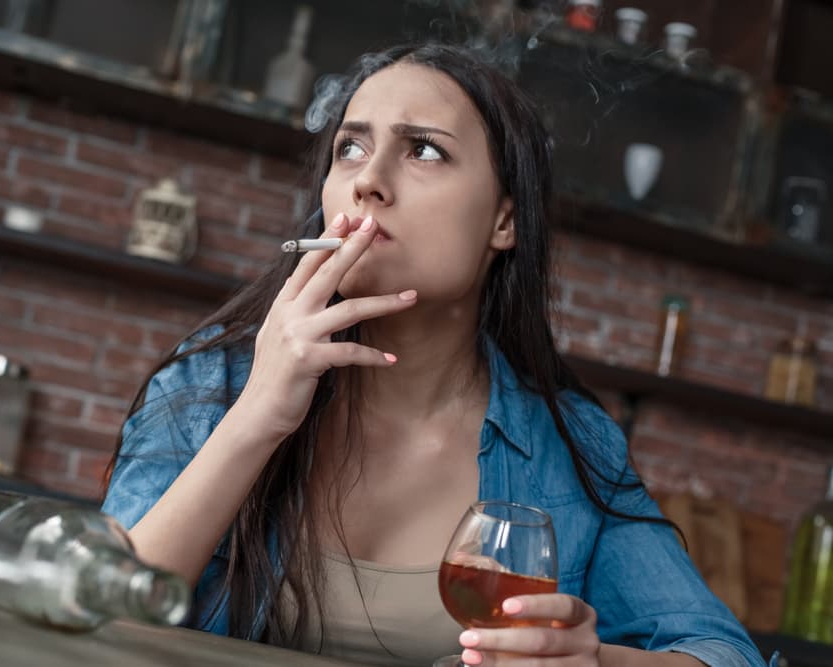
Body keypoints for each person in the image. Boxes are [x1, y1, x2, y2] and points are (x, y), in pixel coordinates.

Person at [101, 43, 768, 667]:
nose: (369, 181)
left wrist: (594, 659)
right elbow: (100, 613)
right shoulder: (210, 382)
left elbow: (721, 652)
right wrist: (257, 416)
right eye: (350, 147)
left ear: (504, 220)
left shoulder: (573, 446)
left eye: (423, 150)